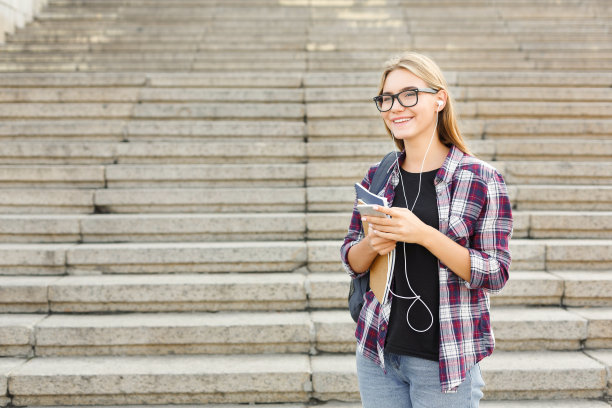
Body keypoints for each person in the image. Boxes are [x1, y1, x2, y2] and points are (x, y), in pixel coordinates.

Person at [340, 52, 513, 407]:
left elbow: (496, 272)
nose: (394, 107)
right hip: (378, 353)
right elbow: (351, 259)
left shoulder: (480, 179)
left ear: (439, 99)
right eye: (386, 99)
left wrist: (424, 234)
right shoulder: (379, 174)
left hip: (445, 360)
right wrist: (372, 242)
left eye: (408, 94)